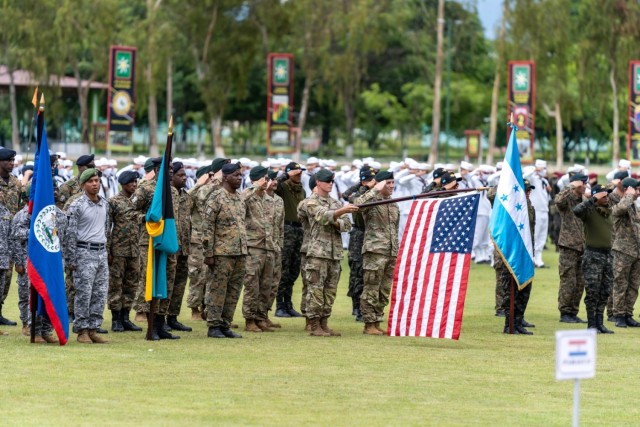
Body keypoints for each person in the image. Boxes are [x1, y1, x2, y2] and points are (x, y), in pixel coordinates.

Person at [304, 169, 358, 337]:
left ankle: (324, 323)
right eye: (327, 181)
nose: (330, 184)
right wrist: (340, 214)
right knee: (316, 290)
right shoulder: (311, 201)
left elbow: (347, 225)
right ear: (318, 182)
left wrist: (336, 218)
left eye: (332, 181)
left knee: (330, 290)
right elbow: (321, 216)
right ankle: (314, 325)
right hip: (318, 253)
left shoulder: (335, 202)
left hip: (334, 254)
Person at [64, 169, 110, 344]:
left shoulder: (104, 204)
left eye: (97, 180)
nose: (95, 184)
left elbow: (106, 229)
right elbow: (70, 233)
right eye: (91, 181)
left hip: (101, 252)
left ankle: (93, 328)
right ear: (83, 185)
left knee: (100, 293)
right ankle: (82, 329)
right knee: (84, 293)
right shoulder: (77, 205)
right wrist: (71, 259)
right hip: (84, 252)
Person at [202, 163, 247, 339]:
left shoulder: (239, 198)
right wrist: (209, 253)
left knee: (234, 290)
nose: (239, 178)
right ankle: (213, 325)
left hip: (239, 252)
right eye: (236, 175)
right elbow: (207, 228)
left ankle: (225, 324)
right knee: (217, 290)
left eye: (240, 175)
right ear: (226, 177)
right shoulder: (216, 198)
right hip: (221, 253)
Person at [353, 171, 399, 335]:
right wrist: (374, 189)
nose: (392, 186)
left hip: (390, 251)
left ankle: (377, 320)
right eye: (388, 183)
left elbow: (395, 228)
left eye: (393, 183)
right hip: (375, 251)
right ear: (380, 184)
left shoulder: (394, 203)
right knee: (371, 287)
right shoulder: (371, 200)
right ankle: (369, 323)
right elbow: (356, 205)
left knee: (384, 289)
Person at [186, 157, 228, 320]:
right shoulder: (201, 190)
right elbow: (186, 200)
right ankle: (194, 308)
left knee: (213, 277)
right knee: (198, 275)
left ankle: (208, 309)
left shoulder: (219, 190)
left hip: (215, 239)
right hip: (198, 239)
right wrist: (200, 184)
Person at [573, 184, 614, 334]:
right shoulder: (589, 211)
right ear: (597, 197)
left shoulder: (607, 211)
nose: (607, 198)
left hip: (607, 255)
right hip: (593, 256)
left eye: (607, 195)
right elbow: (576, 211)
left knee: (605, 291)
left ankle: (600, 323)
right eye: (604, 196)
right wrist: (592, 200)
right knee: (592, 292)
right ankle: (591, 325)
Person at [106, 170, 143, 333]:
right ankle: (116, 319)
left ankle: (125, 317)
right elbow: (107, 227)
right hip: (118, 249)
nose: (134, 185)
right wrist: (108, 251)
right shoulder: (113, 202)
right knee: (116, 284)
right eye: (131, 182)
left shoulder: (138, 201)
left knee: (131, 284)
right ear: (123, 184)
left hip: (135, 250)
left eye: (135, 182)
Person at [241, 166, 277, 333]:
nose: (266, 181)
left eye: (267, 178)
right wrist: (255, 186)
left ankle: (260, 317)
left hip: (268, 247)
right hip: (253, 247)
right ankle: (249, 320)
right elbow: (241, 200)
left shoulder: (268, 199)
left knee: (266, 285)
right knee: (252, 285)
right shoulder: (248, 196)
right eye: (264, 178)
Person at [500, 179, 536, 335]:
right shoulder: (510, 206)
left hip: (525, 252)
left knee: (525, 289)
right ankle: (509, 324)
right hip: (512, 254)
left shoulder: (528, 205)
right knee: (511, 291)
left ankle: (519, 321)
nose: (528, 193)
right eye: (526, 190)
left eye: (529, 190)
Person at [342, 166, 376, 321]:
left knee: (371, 272)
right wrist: (363, 185)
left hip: (372, 235)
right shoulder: (359, 195)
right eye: (370, 179)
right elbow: (347, 196)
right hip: (359, 235)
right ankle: (357, 307)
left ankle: (367, 307)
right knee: (357, 272)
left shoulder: (376, 194)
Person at [274, 162, 307, 318]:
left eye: (300, 172)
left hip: (299, 230)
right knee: (283, 268)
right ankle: (279, 305)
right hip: (286, 229)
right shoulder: (282, 188)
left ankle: (288, 303)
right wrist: (287, 174)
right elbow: (274, 183)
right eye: (296, 172)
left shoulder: (302, 190)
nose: (299, 174)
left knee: (294, 269)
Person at [554, 173, 587, 323]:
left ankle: (573, 311)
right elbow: (558, 200)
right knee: (568, 280)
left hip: (583, 246)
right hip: (568, 245)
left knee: (580, 282)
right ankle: (565, 312)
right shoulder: (567, 200)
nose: (584, 187)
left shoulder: (584, 200)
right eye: (582, 184)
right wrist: (571, 185)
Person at [166, 162, 193, 332]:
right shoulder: (167, 196)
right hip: (170, 246)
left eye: (185, 176)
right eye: (180, 175)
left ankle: (173, 317)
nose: (184, 178)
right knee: (167, 283)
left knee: (180, 284)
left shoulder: (187, 197)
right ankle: (160, 317)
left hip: (184, 247)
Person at [610, 178, 640, 328]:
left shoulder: (634, 206)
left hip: (636, 252)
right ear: (630, 189)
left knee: (634, 286)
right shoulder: (621, 204)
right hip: (623, 250)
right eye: (637, 189)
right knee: (621, 283)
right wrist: (628, 195)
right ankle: (619, 315)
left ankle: (628, 313)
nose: (638, 193)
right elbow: (618, 210)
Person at [0, 147, 23, 326]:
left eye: (13, 161)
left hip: (10, 238)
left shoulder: (16, 183)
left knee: (6, 277)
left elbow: (21, 206)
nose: (11, 163)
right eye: (8, 160)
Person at [264, 170, 284, 329]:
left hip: (275, 247)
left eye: (276, 179)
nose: (274, 182)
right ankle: (255, 316)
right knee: (259, 283)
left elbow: (280, 226)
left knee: (273, 283)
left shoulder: (278, 200)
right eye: (271, 179)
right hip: (261, 246)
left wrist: (280, 245)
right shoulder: (257, 198)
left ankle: (264, 314)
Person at [525, 159, 551, 268]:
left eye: (544, 168)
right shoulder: (532, 178)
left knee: (542, 236)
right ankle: (533, 258)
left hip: (545, 210)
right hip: (536, 210)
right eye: (542, 168)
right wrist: (534, 170)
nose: (543, 171)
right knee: (535, 235)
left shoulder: (545, 181)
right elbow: (525, 176)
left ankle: (539, 258)